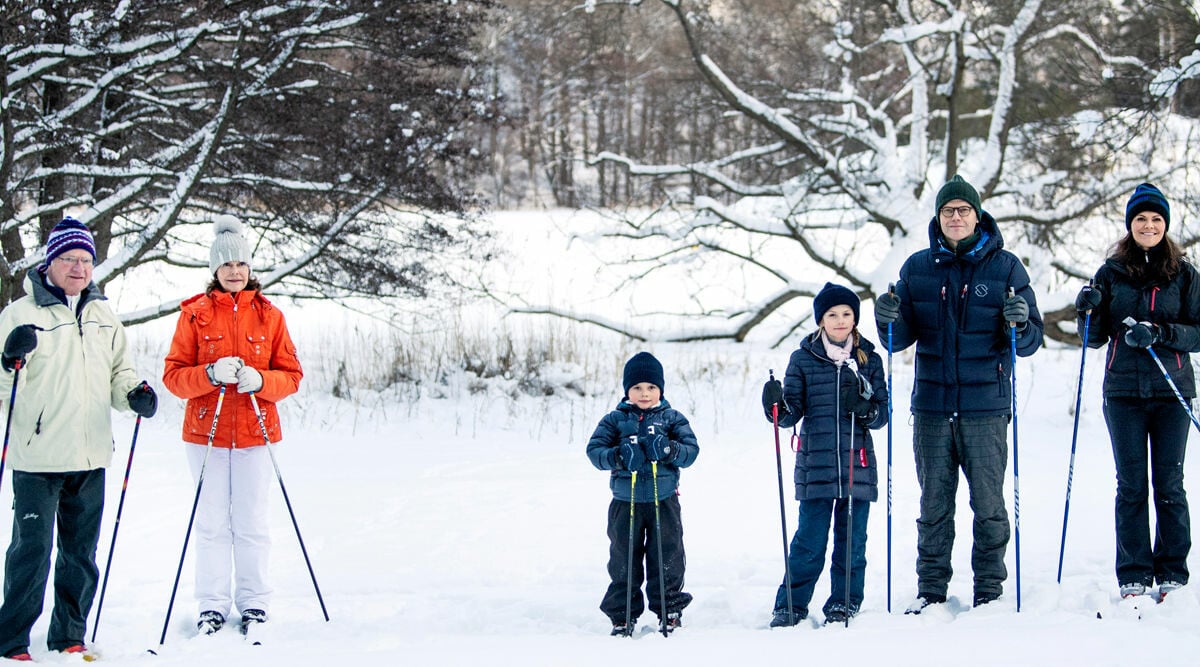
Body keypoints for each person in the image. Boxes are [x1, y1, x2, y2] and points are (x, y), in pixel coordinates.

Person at [874, 175, 1043, 613]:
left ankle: (989, 587)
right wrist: (886, 318)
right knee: (933, 506)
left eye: (963, 210)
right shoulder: (917, 267)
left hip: (985, 409)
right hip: (931, 407)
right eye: (948, 210)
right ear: (938, 217)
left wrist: (1020, 321)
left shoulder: (1005, 268)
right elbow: (897, 341)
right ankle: (931, 589)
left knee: (988, 505)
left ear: (977, 215)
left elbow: (1029, 341)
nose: (955, 217)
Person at [0, 218, 158, 661]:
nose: (78, 268)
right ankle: (11, 641)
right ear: (50, 262)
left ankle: (69, 634)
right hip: (39, 457)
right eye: (69, 259)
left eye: (86, 260)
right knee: (31, 553)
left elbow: (118, 374)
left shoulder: (103, 314)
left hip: (90, 456)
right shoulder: (19, 315)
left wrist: (133, 395)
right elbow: (2, 384)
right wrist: (8, 358)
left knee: (80, 555)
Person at [162, 216, 302, 637]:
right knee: (211, 524)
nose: (235, 271)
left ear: (249, 267)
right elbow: (173, 377)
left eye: (241, 264)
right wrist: (210, 373)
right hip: (206, 435)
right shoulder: (194, 316)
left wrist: (262, 381)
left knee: (252, 521)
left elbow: (291, 376)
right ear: (214, 271)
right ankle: (212, 605)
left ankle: (254, 603)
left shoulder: (270, 316)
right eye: (227, 266)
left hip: (256, 434)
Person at [1074, 183, 1198, 601]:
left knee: (1169, 483)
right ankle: (1133, 573)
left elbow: (1198, 332)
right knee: (1131, 485)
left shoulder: (1184, 272)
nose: (1148, 225)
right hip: (1124, 394)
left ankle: (1172, 573)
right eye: (1141, 219)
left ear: (1166, 225)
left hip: (1171, 393)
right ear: (1130, 225)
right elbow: (1091, 337)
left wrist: (1161, 332)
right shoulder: (1111, 273)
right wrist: (1086, 307)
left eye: (1156, 219)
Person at [761, 283, 889, 627]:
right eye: (832, 314)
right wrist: (776, 406)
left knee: (852, 543)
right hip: (816, 464)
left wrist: (863, 408)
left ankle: (844, 602)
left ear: (855, 318)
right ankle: (791, 605)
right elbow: (790, 414)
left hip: (856, 464)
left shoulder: (869, 360)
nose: (840, 320)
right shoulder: (803, 359)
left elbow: (881, 417)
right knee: (809, 542)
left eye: (847, 314)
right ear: (820, 320)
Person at [586, 351, 699, 636]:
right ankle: (622, 614)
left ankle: (669, 609)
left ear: (660, 389)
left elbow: (690, 452)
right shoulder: (614, 420)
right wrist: (619, 456)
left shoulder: (672, 418)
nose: (644, 393)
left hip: (664, 500)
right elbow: (595, 452)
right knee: (624, 558)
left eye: (651, 387)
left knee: (667, 556)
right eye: (637, 387)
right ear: (627, 390)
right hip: (626, 501)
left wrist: (669, 450)